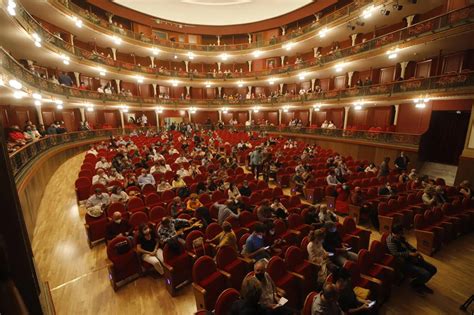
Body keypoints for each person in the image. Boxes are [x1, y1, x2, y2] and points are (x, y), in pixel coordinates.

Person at [386, 224, 437, 294]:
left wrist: (416, 251)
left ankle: (420, 283)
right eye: (399, 234)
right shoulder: (390, 240)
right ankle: (414, 284)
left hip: (412, 258)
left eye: (401, 233)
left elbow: (407, 244)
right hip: (403, 262)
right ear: (393, 233)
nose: (401, 235)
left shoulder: (399, 236)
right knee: (426, 274)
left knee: (433, 269)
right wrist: (409, 254)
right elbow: (394, 253)